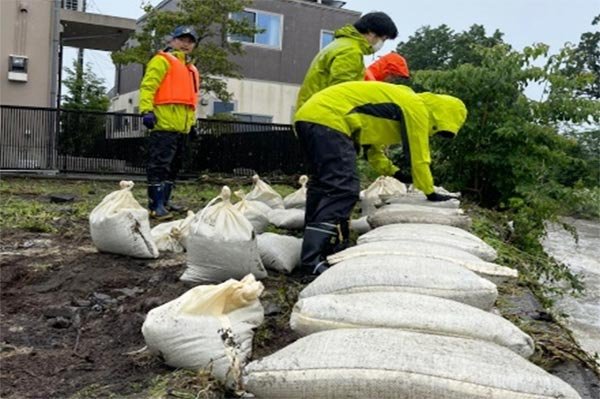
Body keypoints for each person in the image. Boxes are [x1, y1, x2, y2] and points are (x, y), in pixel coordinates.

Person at [294, 81, 467, 275]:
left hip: (308, 117)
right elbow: (419, 155)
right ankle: (311, 261)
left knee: (323, 184)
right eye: (438, 130)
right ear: (442, 115)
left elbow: (373, 150)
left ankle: (318, 246)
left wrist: (394, 172)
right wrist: (429, 191)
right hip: (330, 119)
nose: (434, 134)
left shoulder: (393, 103)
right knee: (343, 189)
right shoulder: (416, 107)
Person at [140, 26, 200, 220]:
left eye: (190, 41)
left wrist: (192, 124)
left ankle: (164, 202)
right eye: (182, 39)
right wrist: (146, 111)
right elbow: (148, 86)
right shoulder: (162, 61)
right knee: (159, 165)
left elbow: (191, 101)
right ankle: (154, 205)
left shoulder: (191, 69)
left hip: (181, 127)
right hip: (164, 125)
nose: (186, 44)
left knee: (174, 166)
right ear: (172, 41)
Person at [295, 11, 398, 110]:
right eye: (383, 39)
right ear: (371, 33)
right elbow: (343, 92)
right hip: (323, 115)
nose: (381, 44)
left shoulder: (340, 44)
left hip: (312, 111)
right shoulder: (350, 52)